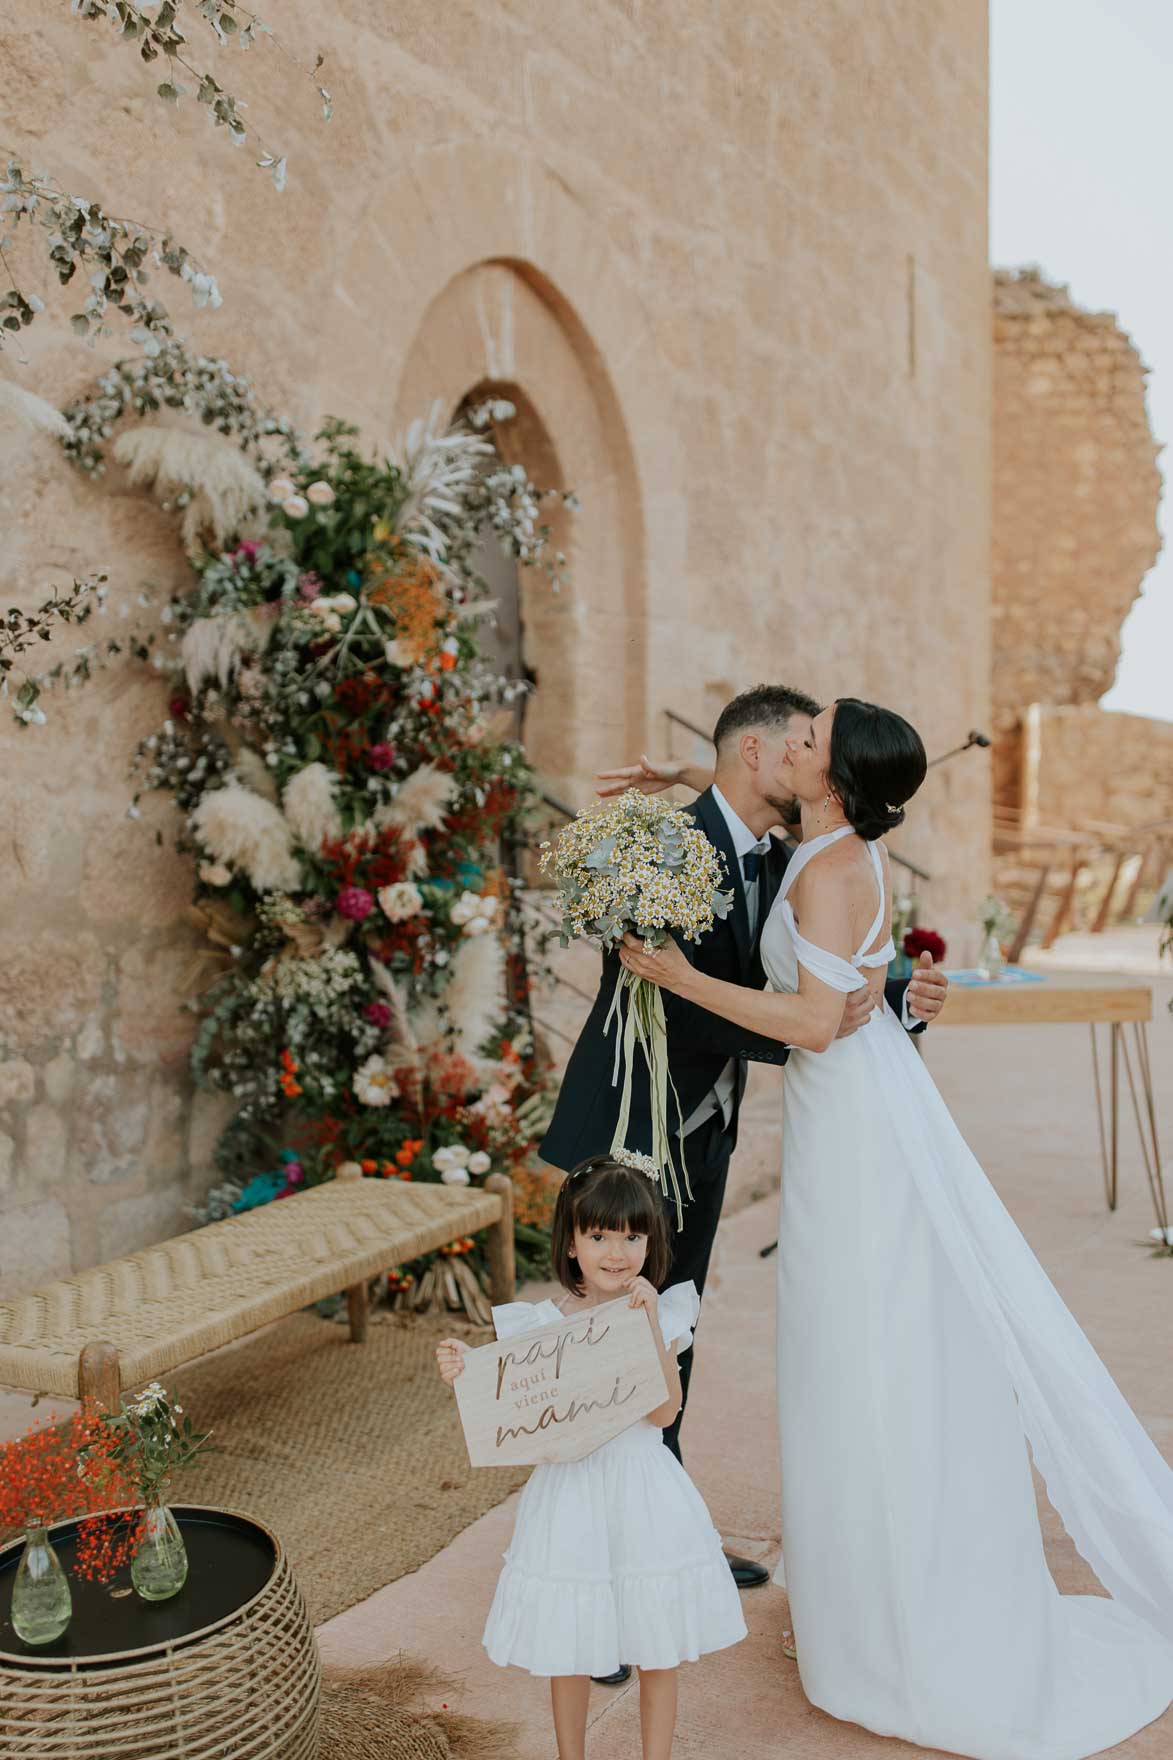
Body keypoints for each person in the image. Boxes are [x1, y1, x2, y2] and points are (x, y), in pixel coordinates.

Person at [619, 697, 1173, 1760]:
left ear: (836, 774)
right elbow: (837, 974)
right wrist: (676, 779)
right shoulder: (823, 842)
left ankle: (903, 1628)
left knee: (864, 1353)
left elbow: (817, 1023)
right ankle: (860, 1612)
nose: (793, 737)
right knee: (843, 1355)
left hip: (859, 1129)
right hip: (847, 1117)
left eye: (812, 733)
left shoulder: (832, 868)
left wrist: (687, 978)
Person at [540, 685, 948, 1614]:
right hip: (631, 1135)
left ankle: (664, 1533)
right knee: (608, 1355)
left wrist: (890, 1007)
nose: (808, 750)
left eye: (819, 741)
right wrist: (822, 1028)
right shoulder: (656, 847)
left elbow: (821, 971)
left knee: (669, 1335)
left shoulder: (784, 851)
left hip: (705, 1130)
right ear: (760, 756)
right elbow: (686, 1000)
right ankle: (600, 1587)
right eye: (798, 739)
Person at [436, 1152, 746, 1760]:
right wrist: (461, 1372)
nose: (616, 1252)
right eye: (599, 1235)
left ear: (651, 1243)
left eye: (633, 1237)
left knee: (655, 1638)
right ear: (572, 1242)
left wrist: (651, 1323)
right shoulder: (542, 1324)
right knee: (569, 1640)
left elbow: (663, 1414)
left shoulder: (660, 1312)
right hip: (571, 1492)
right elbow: (510, 1403)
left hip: (642, 1486)